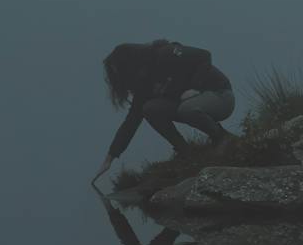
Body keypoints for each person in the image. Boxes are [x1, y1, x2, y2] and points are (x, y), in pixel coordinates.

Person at [91, 39, 235, 184]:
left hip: (220, 95)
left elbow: (204, 55)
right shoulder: (144, 84)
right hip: (193, 104)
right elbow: (131, 121)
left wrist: (194, 87)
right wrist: (110, 157)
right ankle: (186, 152)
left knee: (187, 109)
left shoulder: (164, 54)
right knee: (150, 109)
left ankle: (222, 138)